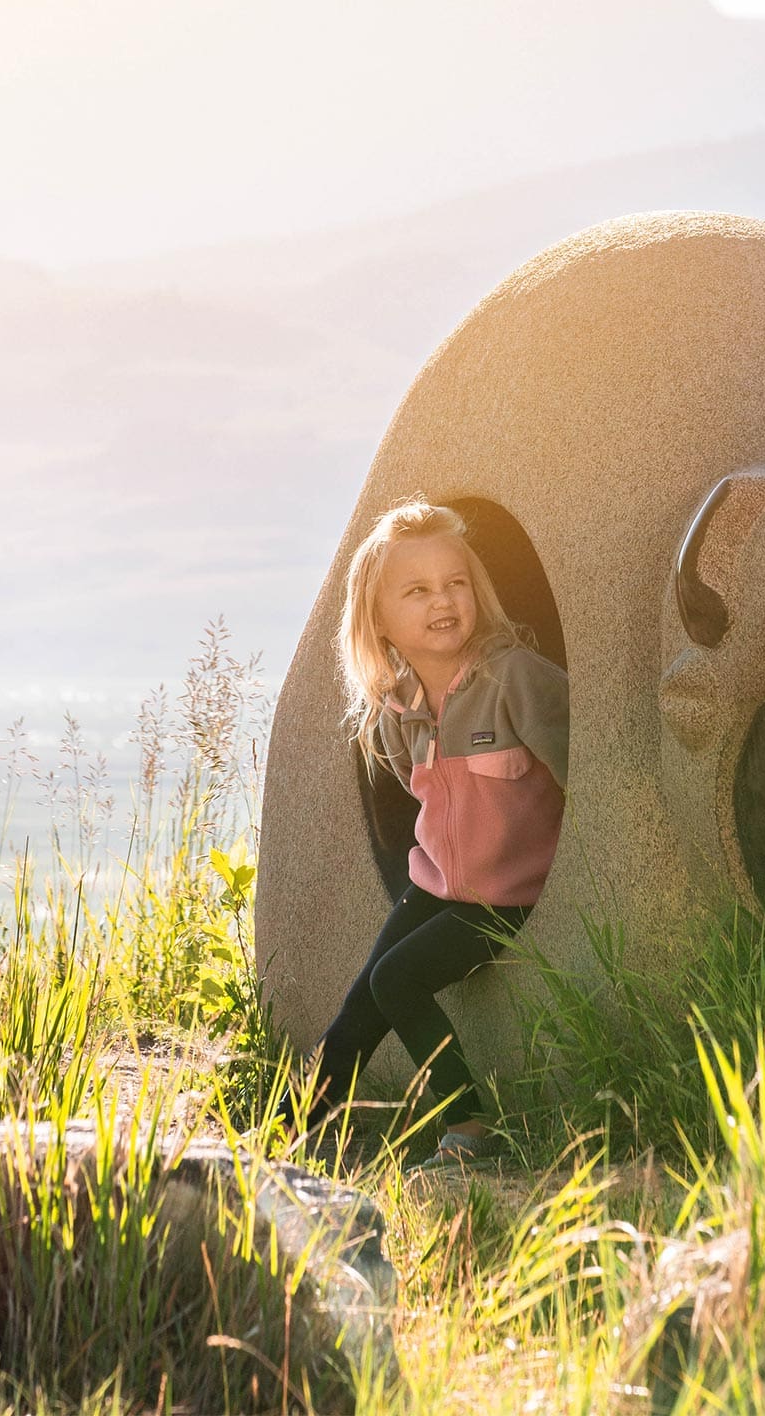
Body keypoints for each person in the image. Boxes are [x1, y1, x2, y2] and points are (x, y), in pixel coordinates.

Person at [307, 500, 568, 1168]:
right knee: (361, 1000)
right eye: (417, 591)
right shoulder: (398, 707)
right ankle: (302, 1123)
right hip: (441, 885)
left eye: (455, 583)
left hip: (509, 894)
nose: (443, 601)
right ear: (379, 618)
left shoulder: (515, 680)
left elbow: (590, 781)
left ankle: (469, 1124)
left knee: (397, 981)